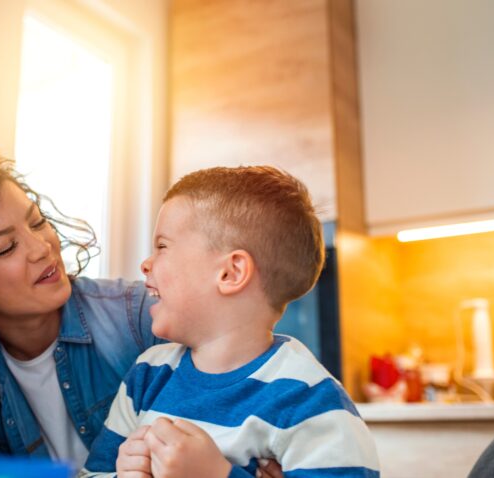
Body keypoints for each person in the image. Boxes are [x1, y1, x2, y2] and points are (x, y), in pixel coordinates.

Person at [0, 146, 284, 476]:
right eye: (7, 247)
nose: (42, 248)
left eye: (36, 222)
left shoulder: (139, 319)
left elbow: (267, 393)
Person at [81, 166, 381, 477]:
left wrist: (216, 474)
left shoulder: (307, 398)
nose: (146, 263)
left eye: (162, 246)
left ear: (230, 273)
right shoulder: (147, 376)